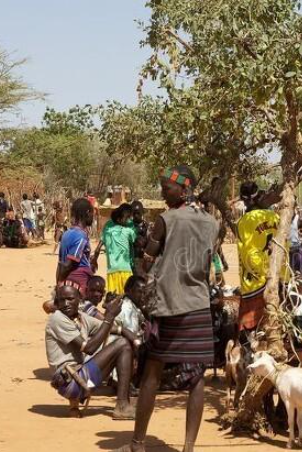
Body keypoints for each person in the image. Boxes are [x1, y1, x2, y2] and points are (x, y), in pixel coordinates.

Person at [116, 165, 218, 452]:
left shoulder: (165, 220)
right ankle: (188, 447)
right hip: (198, 304)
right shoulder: (212, 222)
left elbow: (146, 262)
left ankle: (137, 444)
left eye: (166, 187)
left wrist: (141, 271)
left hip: (168, 304)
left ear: (184, 189)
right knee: (197, 377)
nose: (162, 191)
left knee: (152, 372)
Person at [45, 283, 136, 419]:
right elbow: (89, 348)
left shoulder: (81, 317)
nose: (65, 303)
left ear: (79, 300)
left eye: (70, 299)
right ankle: (122, 405)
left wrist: (127, 333)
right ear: (56, 303)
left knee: (123, 345)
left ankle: (122, 400)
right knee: (122, 345)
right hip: (73, 385)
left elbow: (107, 328)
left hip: (85, 384)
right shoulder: (57, 319)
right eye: (61, 300)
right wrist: (110, 317)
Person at [236, 181, 281, 335]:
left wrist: (263, 276)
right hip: (277, 279)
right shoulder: (274, 216)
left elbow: (249, 255)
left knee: (253, 335)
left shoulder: (244, 221)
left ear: (243, 199)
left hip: (255, 285)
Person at [93, 203, 136, 295]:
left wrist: (94, 260)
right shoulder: (129, 230)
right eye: (128, 217)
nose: (130, 219)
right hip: (126, 269)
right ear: (119, 218)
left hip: (112, 270)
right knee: (127, 298)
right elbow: (135, 241)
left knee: (113, 298)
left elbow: (98, 247)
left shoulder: (108, 227)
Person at [57, 198, 95, 298]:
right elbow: (69, 264)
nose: (93, 217)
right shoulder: (80, 236)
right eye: (92, 213)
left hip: (66, 282)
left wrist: (59, 284)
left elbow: (61, 264)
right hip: (78, 283)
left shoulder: (66, 234)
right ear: (87, 213)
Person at [289, 207, 302, 277]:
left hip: (297, 252)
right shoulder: (279, 219)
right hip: (285, 253)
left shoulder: (299, 220)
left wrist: (299, 249)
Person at [130, 201, 149, 276]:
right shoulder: (128, 227)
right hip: (129, 261)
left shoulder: (148, 227)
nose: (136, 216)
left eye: (138, 213)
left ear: (143, 212)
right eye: (134, 213)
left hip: (143, 261)